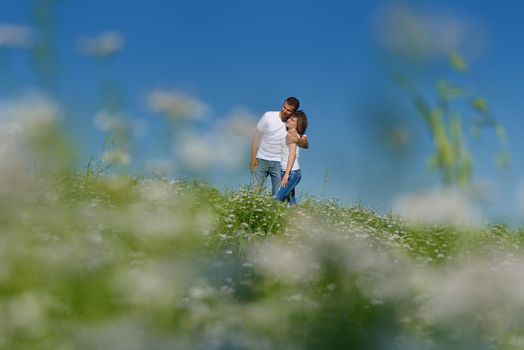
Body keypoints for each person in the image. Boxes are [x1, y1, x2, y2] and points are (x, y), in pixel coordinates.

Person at [250, 97, 309, 194]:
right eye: (284, 107)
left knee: (277, 195)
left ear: (294, 112)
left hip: (278, 164)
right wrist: (253, 159)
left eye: (289, 110)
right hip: (261, 159)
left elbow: (306, 144)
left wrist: (296, 139)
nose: (285, 111)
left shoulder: (293, 124)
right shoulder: (268, 116)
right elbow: (256, 136)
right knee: (253, 192)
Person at [274, 111, 308, 205]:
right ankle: (296, 217)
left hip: (292, 173)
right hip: (286, 171)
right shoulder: (288, 133)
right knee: (291, 200)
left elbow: (292, 154)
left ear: (297, 125)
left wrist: (287, 174)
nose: (288, 120)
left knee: (277, 199)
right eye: (289, 118)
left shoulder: (291, 135)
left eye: (292, 120)